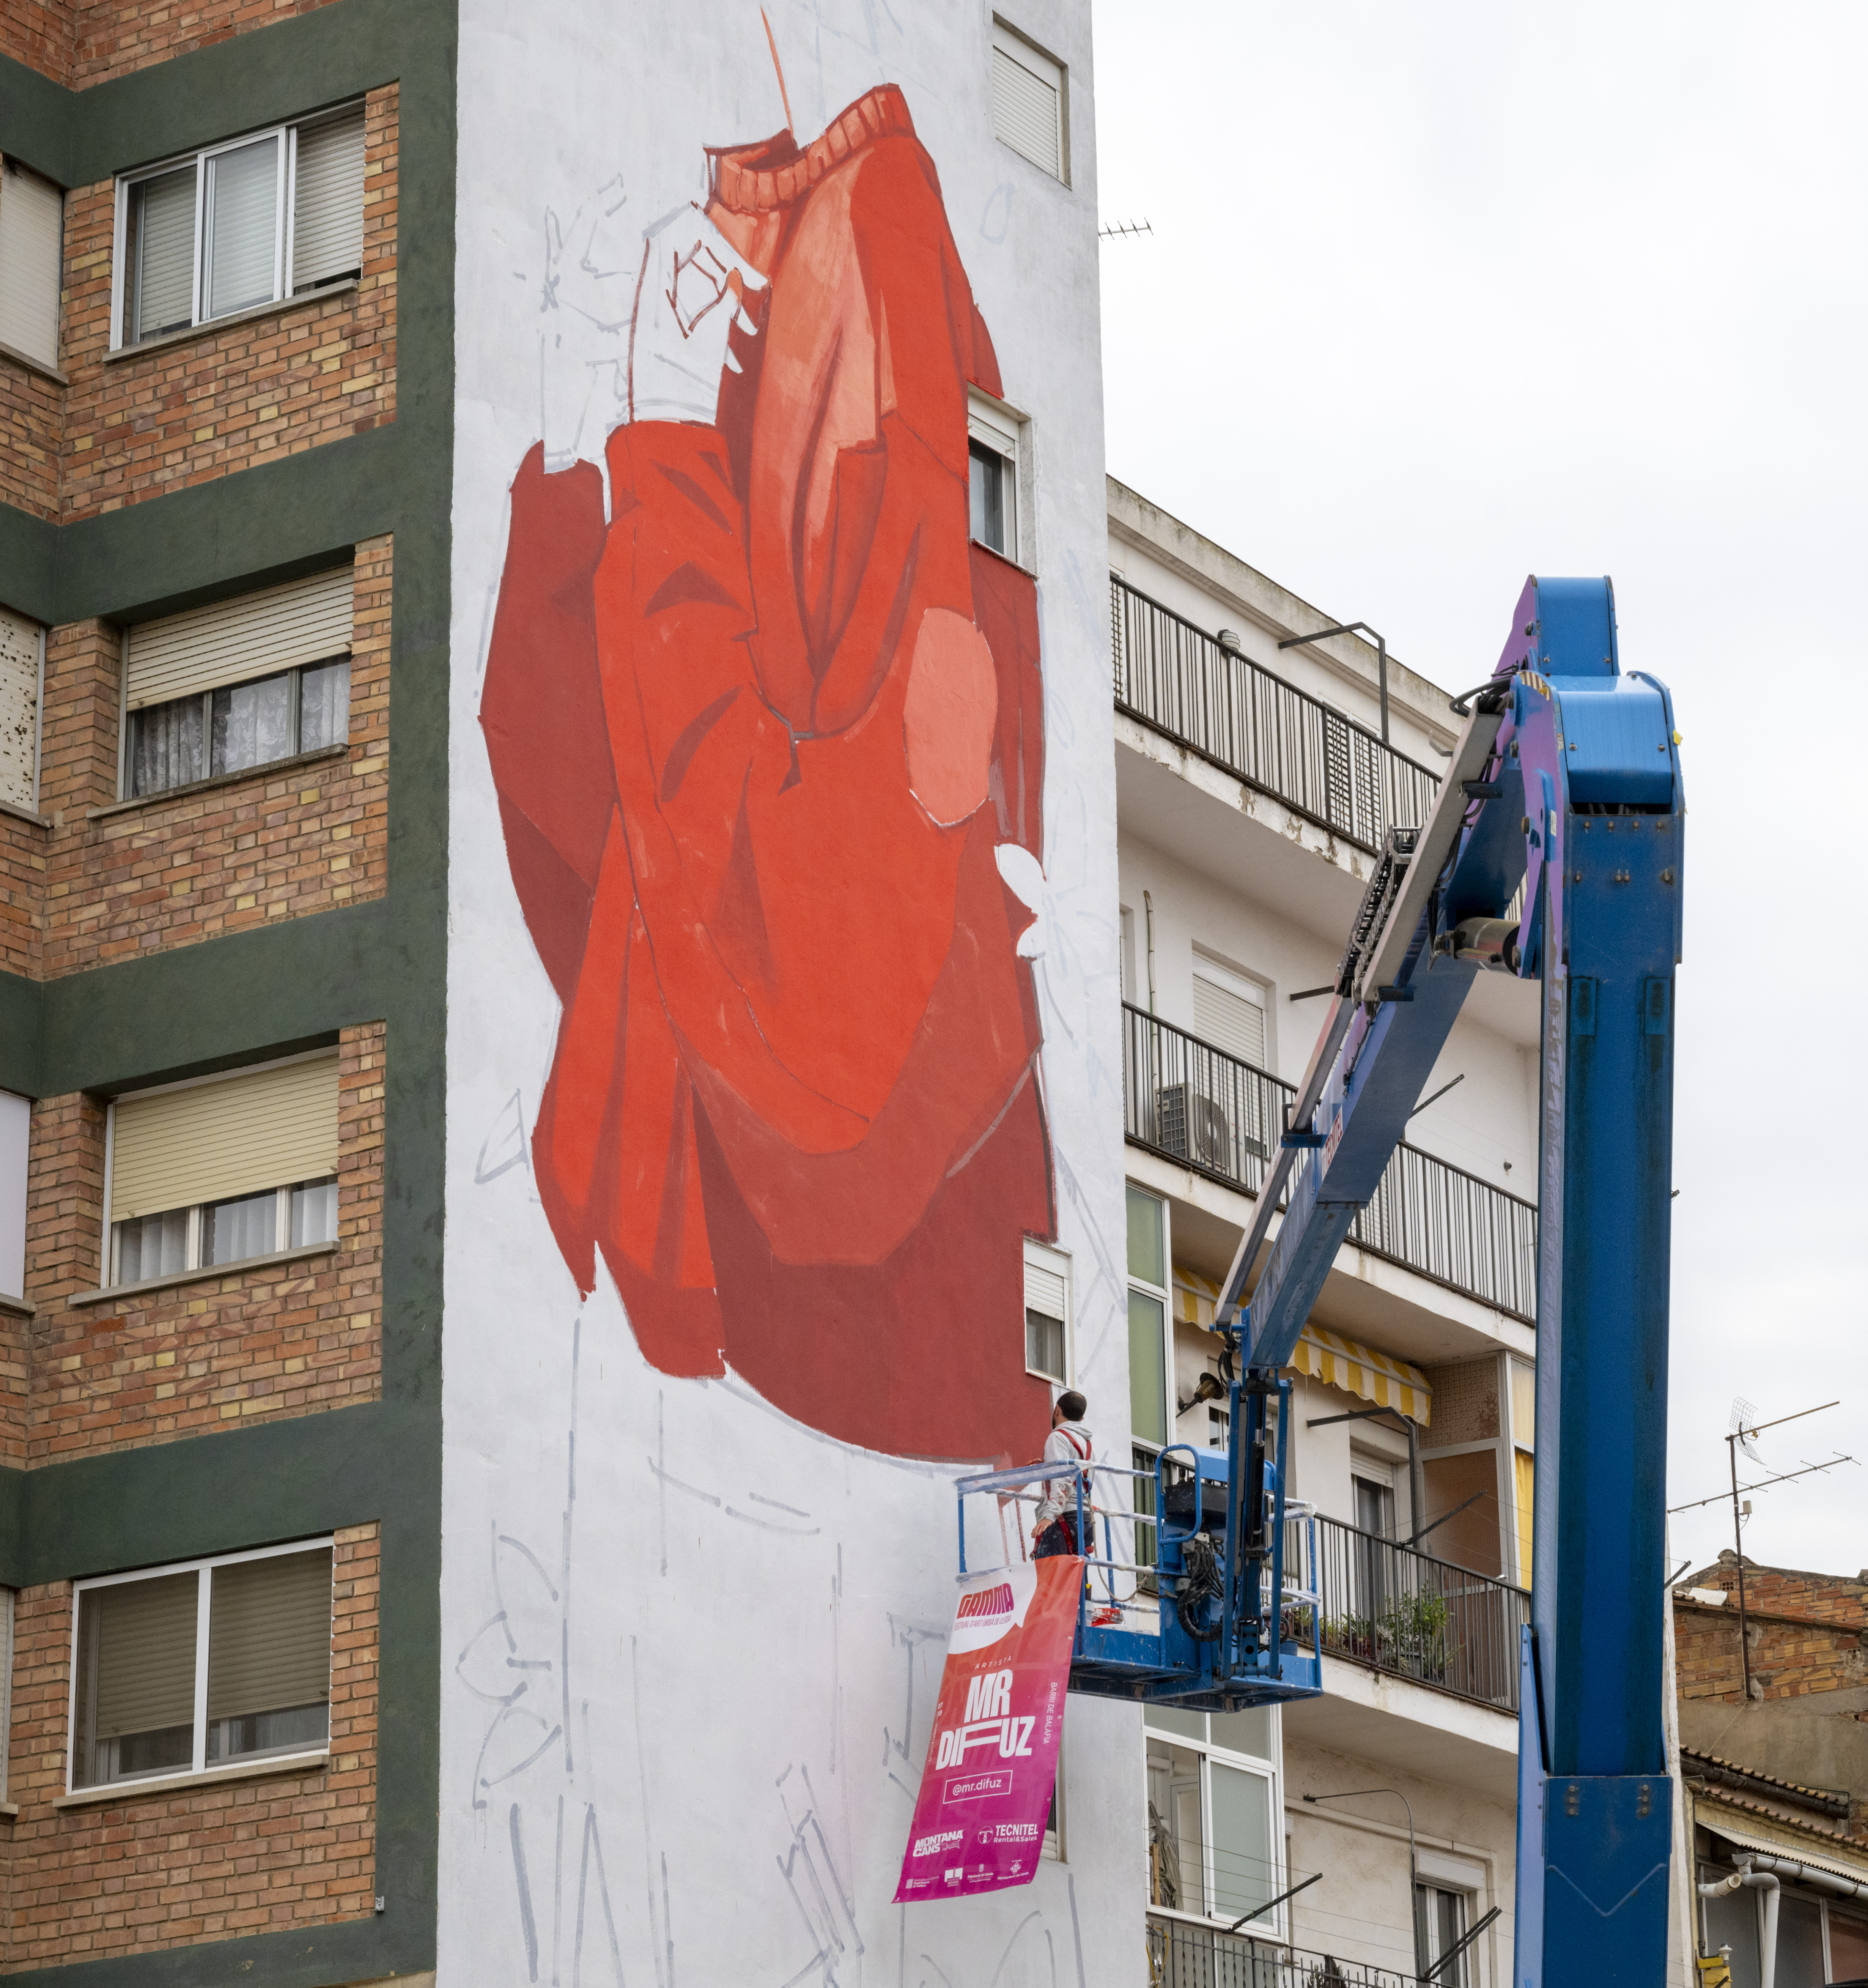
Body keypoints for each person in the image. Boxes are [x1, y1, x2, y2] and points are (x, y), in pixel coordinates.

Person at [1032, 1392, 1093, 1558]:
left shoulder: (1058, 1438)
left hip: (1063, 1519)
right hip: (1084, 1520)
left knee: (1049, 1573)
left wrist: (1049, 1516)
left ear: (1057, 1410)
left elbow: (1062, 1479)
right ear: (1081, 1418)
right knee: (1075, 1574)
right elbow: (1080, 1480)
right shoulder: (1087, 1445)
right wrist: (1047, 1467)